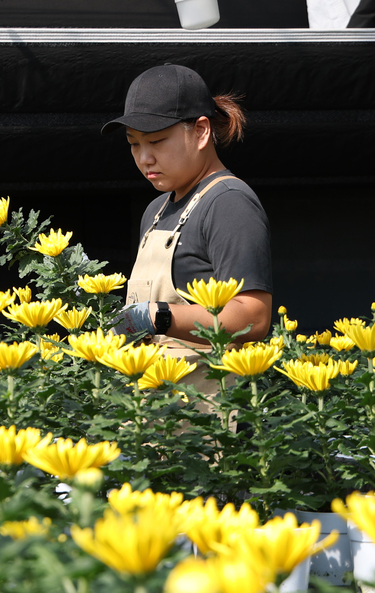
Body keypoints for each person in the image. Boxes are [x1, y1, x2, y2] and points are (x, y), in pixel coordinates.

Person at [103, 65, 273, 374]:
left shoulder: (228, 202)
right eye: (133, 143)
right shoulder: (155, 210)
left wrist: (159, 317)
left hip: (206, 409)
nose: (144, 158)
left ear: (201, 132)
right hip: (150, 406)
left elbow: (253, 317)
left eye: (156, 141)